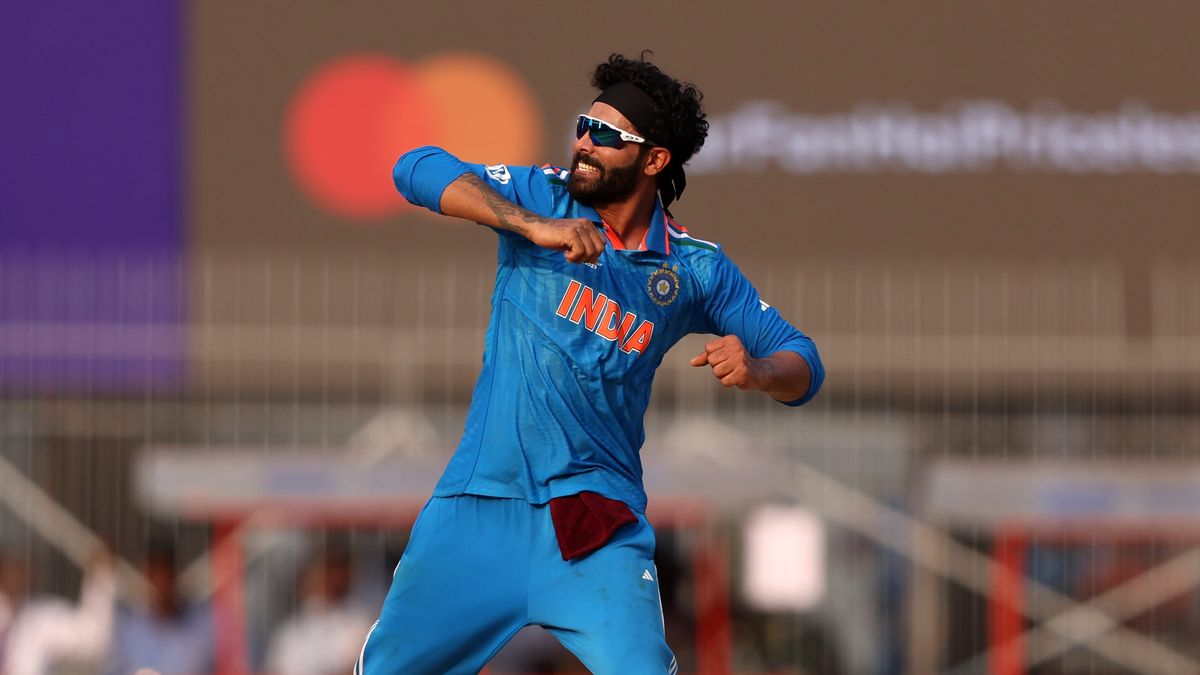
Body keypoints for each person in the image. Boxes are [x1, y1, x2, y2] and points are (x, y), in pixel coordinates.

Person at [358, 52, 824, 675]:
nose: (584, 143)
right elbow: (412, 167)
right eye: (583, 125)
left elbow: (805, 363)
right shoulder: (542, 196)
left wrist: (760, 370)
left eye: (606, 135)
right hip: (477, 507)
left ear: (654, 159)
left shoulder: (693, 268)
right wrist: (533, 227)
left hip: (593, 523)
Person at [1, 546, 115, 675]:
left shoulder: (36, 618)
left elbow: (92, 637)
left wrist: (101, 575)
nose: (14, 574)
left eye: (19, 566)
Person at [264, 543, 373, 675]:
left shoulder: (357, 620)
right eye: (328, 572)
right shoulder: (292, 628)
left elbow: (358, 666)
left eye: (338, 571)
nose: (334, 579)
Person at [107, 541, 213, 675]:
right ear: (146, 576)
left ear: (174, 575)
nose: (160, 583)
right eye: (154, 576)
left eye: (165, 575)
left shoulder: (201, 626)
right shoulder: (129, 628)